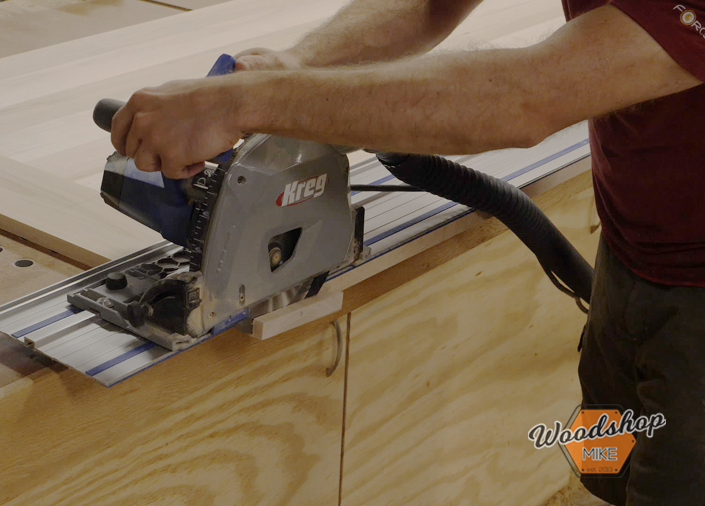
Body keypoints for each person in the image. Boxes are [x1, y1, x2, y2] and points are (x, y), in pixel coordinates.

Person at [110, 1, 705, 504]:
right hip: (632, 251)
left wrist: (241, 102)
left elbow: (527, 96)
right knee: (606, 465)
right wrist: (300, 63)